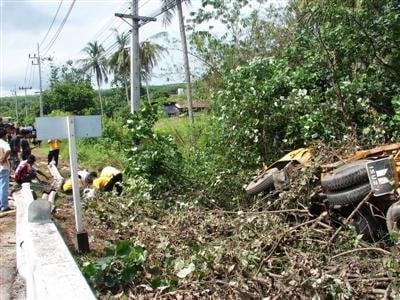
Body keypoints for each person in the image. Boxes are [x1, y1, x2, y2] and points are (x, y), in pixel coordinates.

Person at [0, 128, 11, 211]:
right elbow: (8, 150)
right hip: (3, 167)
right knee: (4, 187)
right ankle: (4, 206)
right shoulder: (4, 143)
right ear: (4, 135)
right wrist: (3, 159)